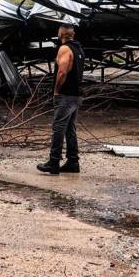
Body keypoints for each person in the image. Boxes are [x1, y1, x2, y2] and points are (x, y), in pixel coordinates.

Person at [37, 23, 84, 175]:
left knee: (58, 128)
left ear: (60, 34)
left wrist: (56, 90)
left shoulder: (64, 49)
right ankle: (72, 162)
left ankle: (54, 162)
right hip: (76, 94)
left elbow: (62, 72)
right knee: (70, 128)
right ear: (73, 34)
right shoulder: (79, 49)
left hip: (65, 94)